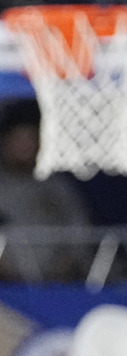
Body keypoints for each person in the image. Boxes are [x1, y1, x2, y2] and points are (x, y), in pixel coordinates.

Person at [0, 100, 91, 282]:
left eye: (30, 139)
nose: (24, 147)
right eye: (18, 139)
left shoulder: (57, 185)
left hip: (54, 286)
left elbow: (80, 230)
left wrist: (66, 264)